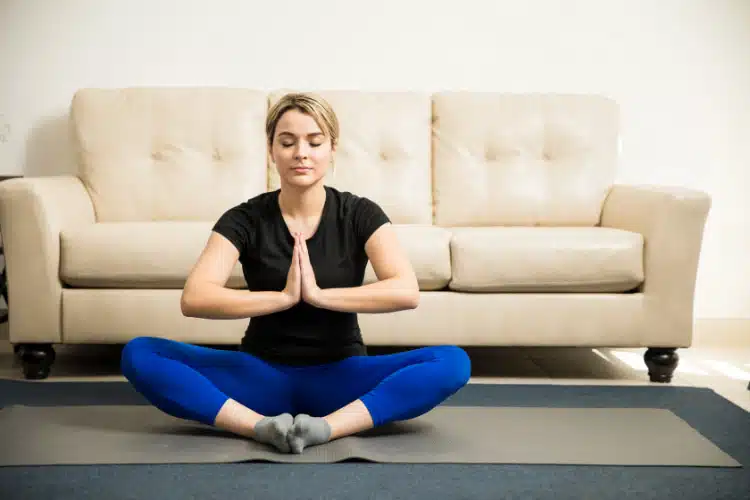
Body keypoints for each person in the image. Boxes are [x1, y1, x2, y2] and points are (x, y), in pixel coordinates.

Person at [120, 92, 472, 454]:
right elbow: (195, 297)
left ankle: (326, 429)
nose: (301, 153)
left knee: (452, 362)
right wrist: (282, 298)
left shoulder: (360, 214)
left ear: (332, 147)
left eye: (314, 142)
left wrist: (319, 296)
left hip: (340, 376)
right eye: (287, 142)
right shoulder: (245, 218)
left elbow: (405, 290)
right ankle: (258, 427)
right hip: (259, 376)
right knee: (140, 353)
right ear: (271, 150)